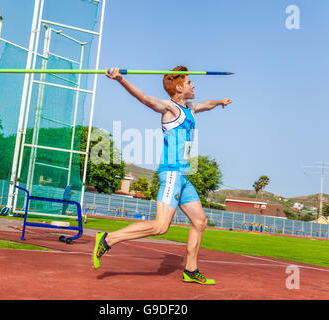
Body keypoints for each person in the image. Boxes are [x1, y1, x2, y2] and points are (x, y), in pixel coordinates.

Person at [92, 66, 233, 285]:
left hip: (183, 176)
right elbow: (146, 99)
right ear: (178, 87)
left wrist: (219, 102)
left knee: (200, 221)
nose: (193, 84)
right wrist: (120, 79)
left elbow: (206, 105)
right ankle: (108, 238)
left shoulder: (191, 108)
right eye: (189, 82)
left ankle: (191, 270)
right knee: (160, 226)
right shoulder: (170, 108)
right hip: (170, 174)